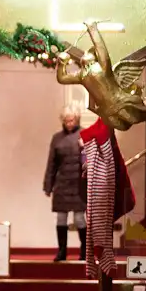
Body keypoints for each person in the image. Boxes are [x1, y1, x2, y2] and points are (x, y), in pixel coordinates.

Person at [44, 106, 87, 261]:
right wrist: (48, 185)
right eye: (66, 121)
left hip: (79, 185)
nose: (69, 123)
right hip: (62, 184)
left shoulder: (85, 135)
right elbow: (52, 164)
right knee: (61, 218)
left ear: (77, 119)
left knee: (79, 219)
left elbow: (90, 161)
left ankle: (84, 251)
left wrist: (84, 148)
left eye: (72, 120)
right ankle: (62, 251)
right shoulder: (57, 138)